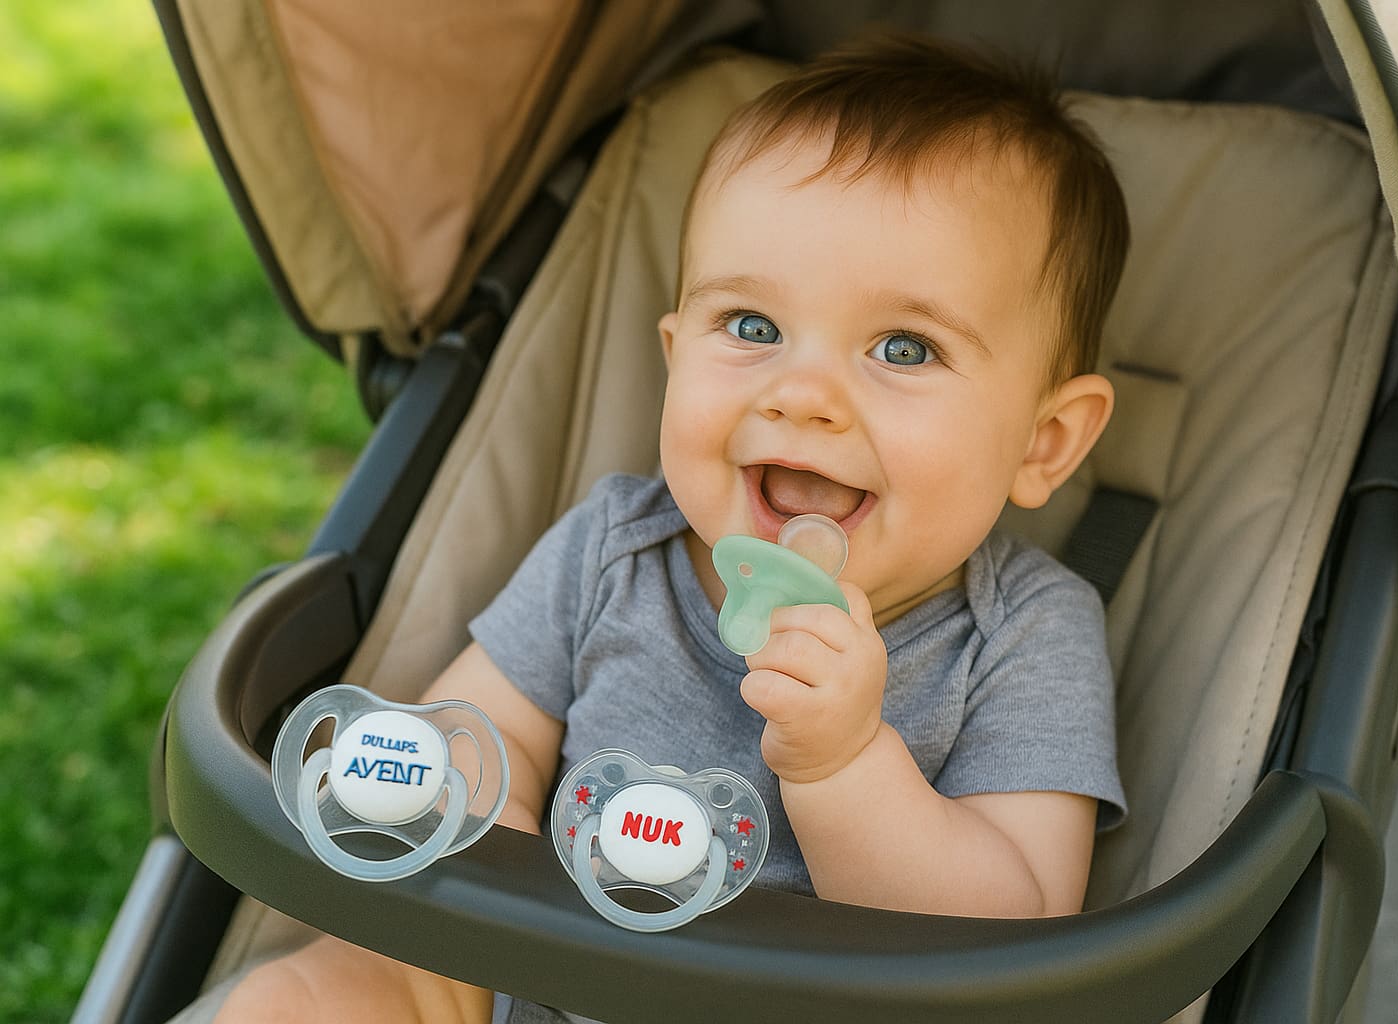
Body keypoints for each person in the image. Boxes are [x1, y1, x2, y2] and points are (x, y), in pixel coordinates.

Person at [215, 32, 1130, 1024]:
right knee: (313, 995)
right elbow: (484, 746)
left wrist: (847, 763)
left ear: (1044, 443)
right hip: (535, 981)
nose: (804, 393)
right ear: (675, 351)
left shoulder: (1025, 633)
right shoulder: (614, 547)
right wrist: (442, 796)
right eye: (750, 326)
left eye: (903, 347)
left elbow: (1017, 929)